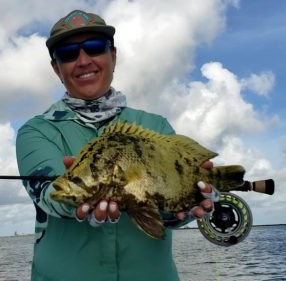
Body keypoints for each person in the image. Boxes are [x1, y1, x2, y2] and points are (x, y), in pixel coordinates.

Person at [16, 10, 218, 281]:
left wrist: (189, 206)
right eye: (68, 53)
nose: (83, 60)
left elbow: (169, 211)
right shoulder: (36, 131)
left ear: (113, 55)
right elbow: (48, 192)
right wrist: (75, 198)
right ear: (56, 68)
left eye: (95, 48)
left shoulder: (155, 125)